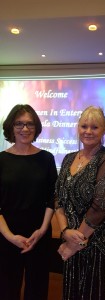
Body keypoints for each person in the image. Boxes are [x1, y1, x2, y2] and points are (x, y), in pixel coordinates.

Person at [55, 106, 105, 300]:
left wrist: (73, 245)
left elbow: (100, 207)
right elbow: (58, 199)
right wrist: (65, 232)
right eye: (84, 126)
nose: (88, 131)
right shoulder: (68, 159)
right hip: (72, 239)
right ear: (78, 128)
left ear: (104, 130)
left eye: (95, 127)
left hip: (99, 245)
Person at [0, 104, 58, 300]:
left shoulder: (47, 159)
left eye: (29, 124)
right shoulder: (1, 160)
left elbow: (52, 198)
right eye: (19, 124)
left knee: (37, 289)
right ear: (11, 127)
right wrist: (10, 236)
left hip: (39, 235)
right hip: (6, 236)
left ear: (36, 127)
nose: (25, 129)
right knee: (7, 289)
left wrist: (42, 231)